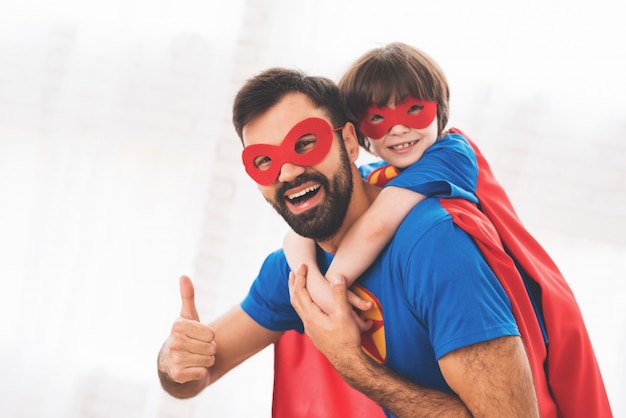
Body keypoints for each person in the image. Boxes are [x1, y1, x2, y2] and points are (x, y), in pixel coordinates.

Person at [158, 66, 541, 417]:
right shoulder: (297, 272)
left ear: (351, 142)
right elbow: (193, 378)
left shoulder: (434, 245)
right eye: (264, 161)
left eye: (305, 143)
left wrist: (351, 362)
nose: (288, 172)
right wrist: (174, 359)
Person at [284, 43, 612, 417]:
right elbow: (297, 235)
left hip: (515, 296)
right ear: (359, 135)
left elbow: (375, 227)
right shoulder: (378, 177)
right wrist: (308, 273)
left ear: (439, 109)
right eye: (378, 118)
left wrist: (331, 290)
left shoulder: (449, 154)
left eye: (413, 110)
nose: (399, 128)